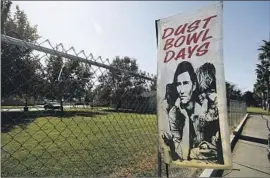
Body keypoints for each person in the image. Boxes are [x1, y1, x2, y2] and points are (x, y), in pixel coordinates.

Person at [162, 61, 202, 161]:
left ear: (193, 85)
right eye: (178, 84)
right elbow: (181, 153)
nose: (181, 90)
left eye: (185, 83)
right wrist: (186, 119)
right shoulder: (174, 113)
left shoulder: (203, 111)